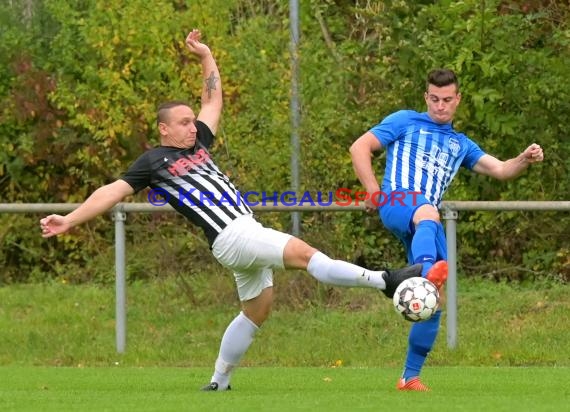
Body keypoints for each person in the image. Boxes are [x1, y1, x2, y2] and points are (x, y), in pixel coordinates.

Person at [39, 29, 447, 392]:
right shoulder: (154, 162)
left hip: (240, 233)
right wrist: (70, 219)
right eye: (181, 123)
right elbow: (112, 191)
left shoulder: (197, 143)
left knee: (257, 310)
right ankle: (388, 280)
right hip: (233, 235)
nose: (190, 126)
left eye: (190, 121)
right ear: (163, 129)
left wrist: (205, 57)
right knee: (305, 255)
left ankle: (218, 381)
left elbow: (212, 98)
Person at [350, 68, 544, 391]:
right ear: (426, 97)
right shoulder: (404, 121)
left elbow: (499, 169)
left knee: (434, 301)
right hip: (399, 202)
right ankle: (427, 272)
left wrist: (524, 158)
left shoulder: (460, 144)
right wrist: (373, 193)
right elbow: (360, 148)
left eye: (447, 100)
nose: (440, 106)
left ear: (458, 100)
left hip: (426, 223)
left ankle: (410, 376)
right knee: (428, 214)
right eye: (434, 99)